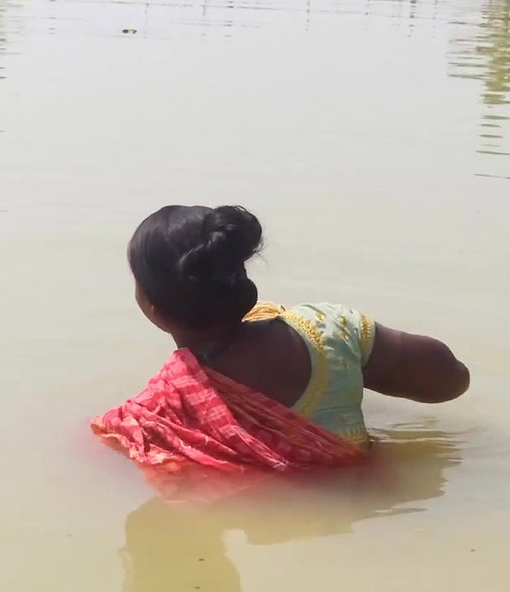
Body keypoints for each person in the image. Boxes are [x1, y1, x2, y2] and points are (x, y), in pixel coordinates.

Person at [91, 204, 468, 495]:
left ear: (150, 306)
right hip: (369, 503)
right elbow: (449, 380)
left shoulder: (156, 415)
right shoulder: (326, 330)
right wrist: (349, 370)